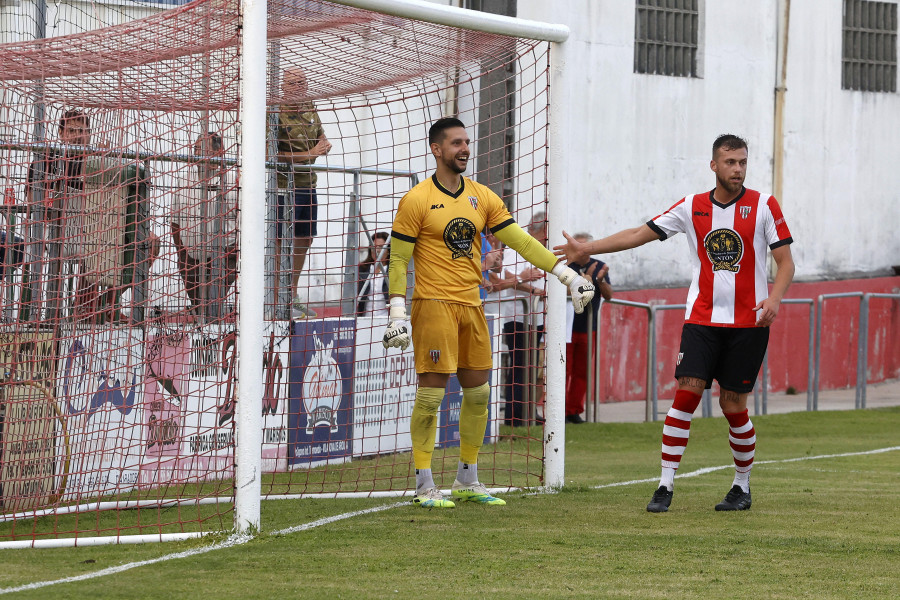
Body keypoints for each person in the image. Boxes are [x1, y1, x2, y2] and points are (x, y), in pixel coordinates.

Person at [555, 134, 794, 513]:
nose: (737, 169)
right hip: (701, 320)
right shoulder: (692, 206)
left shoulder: (764, 205)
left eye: (743, 162)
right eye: (730, 162)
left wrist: (775, 298)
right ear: (713, 165)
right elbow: (638, 234)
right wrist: (587, 249)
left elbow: (786, 262)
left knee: (733, 407)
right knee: (686, 392)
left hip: (748, 325)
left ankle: (741, 486)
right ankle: (665, 485)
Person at [382, 117, 595, 508]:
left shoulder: (483, 196)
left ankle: (468, 478)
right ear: (436, 149)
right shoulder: (416, 199)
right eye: (456, 143)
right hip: (433, 306)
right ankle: (425, 483)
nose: (465, 148)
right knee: (431, 396)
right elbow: (398, 259)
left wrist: (565, 275)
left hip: (473, 305)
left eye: (467, 141)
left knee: (478, 394)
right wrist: (397, 311)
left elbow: (523, 243)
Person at [274, 68, 332, 319]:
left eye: (301, 82)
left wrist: (324, 144)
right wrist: (308, 155)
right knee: (279, 241)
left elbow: (320, 136)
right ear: (283, 87)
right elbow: (271, 155)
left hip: (308, 183)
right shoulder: (274, 111)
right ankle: (276, 295)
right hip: (284, 187)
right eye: (292, 83)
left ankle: (292, 294)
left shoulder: (310, 106)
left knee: (305, 238)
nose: (297, 86)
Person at [171, 132, 238, 313]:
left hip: (224, 255)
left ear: (219, 152)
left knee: (211, 310)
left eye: (202, 150)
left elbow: (244, 223)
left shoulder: (235, 181)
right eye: (196, 150)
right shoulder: (184, 180)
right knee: (201, 309)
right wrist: (183, 252)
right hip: (191, 257)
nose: (197, 154)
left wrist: (233, 250)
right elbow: (175, 222)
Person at [498, 213, 548, 426]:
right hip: (518, 316)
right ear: (543, 230)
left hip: (534, 317)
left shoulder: (540, 250)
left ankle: (527, 410)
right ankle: (515, 415)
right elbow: (507, 279)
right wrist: (535, 289)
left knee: (530, 366)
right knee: (519, 366)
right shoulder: (516, 247)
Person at [564, 233, 613, 424]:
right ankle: (558, 410)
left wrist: (599, 280)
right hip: (567, 328)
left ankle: (573, 410)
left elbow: (609, 295)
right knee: (563, 370)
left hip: (588, 327)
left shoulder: (600, 265)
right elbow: (566, 290)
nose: (581, 249)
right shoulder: (566, 265)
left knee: (582, 372)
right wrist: (588, 279)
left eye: (585, 246)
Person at [357, 231, 389, 317]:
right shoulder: (362, 269)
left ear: (388, 251)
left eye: (381, 247)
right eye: (374, 247)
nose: (377, 250)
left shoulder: (393, 271)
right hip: (364, 321)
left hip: (386, 320)